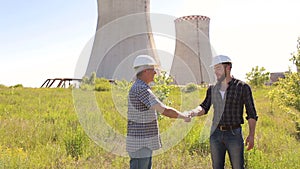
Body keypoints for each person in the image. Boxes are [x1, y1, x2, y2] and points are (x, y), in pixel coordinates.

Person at [190, 55, 258, 169]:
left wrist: (251, 135)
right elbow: (204, 107)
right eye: (215, 69)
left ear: (228, 68)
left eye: (219, 68)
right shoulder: (212, 89)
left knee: (238, 167)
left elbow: (251, 113)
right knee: (217, 167)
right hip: (215, 134)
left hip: (234, 134)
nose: (216, 72)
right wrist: (192, 112)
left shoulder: (242, 87)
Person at [126, 55, 191, 169]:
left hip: (142, 142)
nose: (155, 73)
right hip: (141, 143)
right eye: (153, 70)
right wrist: (183, 116)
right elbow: (164, 110)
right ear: (145, 71)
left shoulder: (140, 87)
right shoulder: (141, 89)